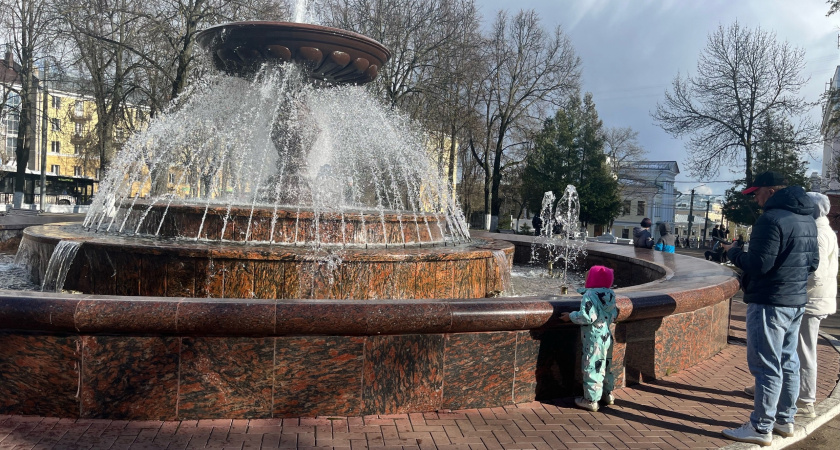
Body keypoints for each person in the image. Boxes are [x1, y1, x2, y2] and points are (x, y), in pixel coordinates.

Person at [720, 171, 819, 446]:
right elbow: (813, 264)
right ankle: (784, 420)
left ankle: (760, 427)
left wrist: (733, 253)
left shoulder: (770, 219)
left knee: (766, 365)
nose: (755, 199)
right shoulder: (808, 219)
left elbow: (758, 265)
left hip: (769, 302)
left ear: (771, 191)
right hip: (795, 301)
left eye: (757, 193)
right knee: (788, 361)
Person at [559, 265, 618, 412]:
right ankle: (608, 393)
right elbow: (615, 314)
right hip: (607, 337)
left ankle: (591, 400)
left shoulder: (590, 295)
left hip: (593, 339)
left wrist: (570, 316)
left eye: (587, 277)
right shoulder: (610, 294)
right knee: (606, 366)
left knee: (592, 367)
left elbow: (587, 317)